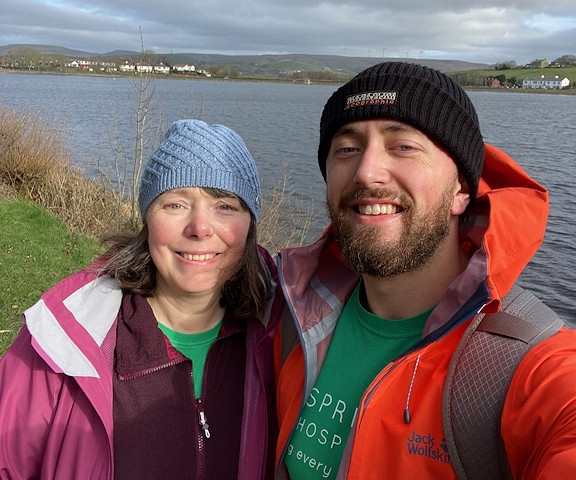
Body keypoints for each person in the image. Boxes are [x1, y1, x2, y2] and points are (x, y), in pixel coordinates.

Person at [274, 62, 576, 479]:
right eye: (346, 149)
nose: (366, 171)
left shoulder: (527, 366)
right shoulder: (294, 310)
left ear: (461, 191)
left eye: (403, 146)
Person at [0, 119, 283, 479]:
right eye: (176, 205)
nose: (200, 228)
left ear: (249, 225)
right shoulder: (63, 343)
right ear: (147, 220)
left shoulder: (279, 338)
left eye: (225, 206)